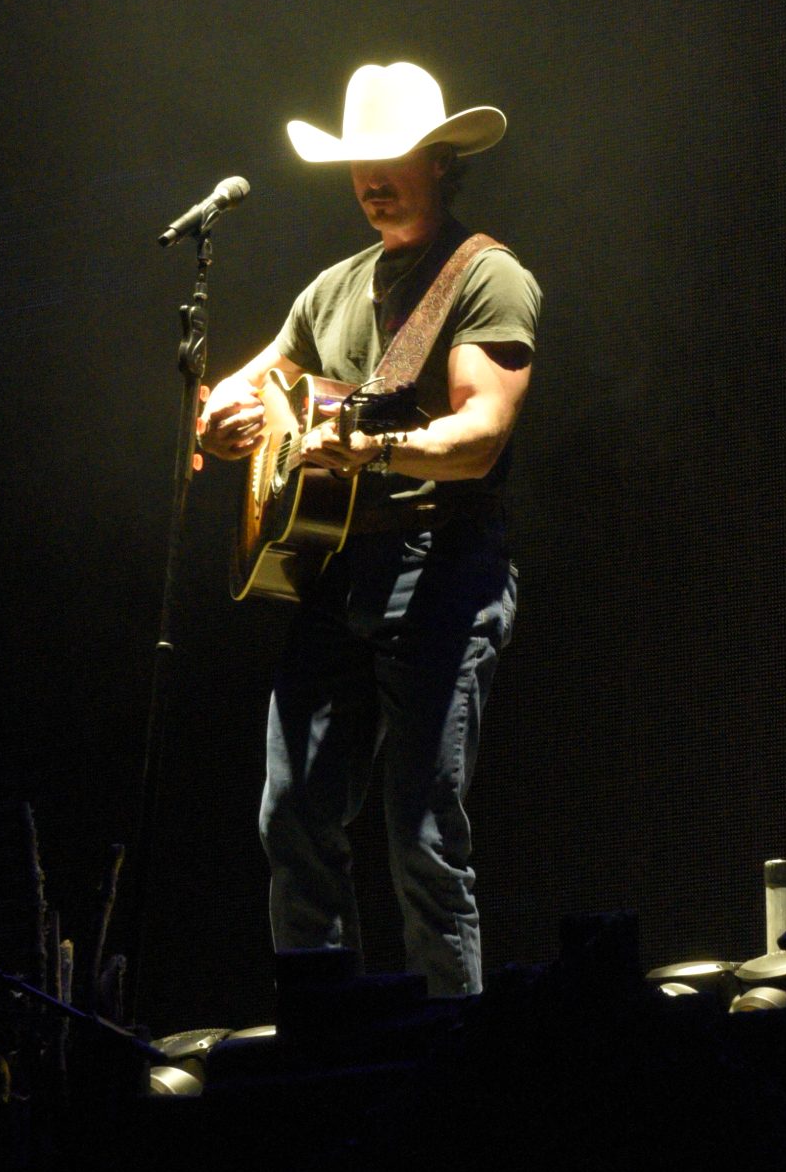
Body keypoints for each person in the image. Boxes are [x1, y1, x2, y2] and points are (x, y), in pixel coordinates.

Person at [199, 62, 541, 998]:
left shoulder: (485, 276)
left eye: (388, 159)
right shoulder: (332, 287)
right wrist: (223, 422)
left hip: (441, 567)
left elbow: (478, 437)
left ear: (436, 162)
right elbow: (255, 380)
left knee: (423, 840)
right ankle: (327, 1041)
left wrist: (376, 455)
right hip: (332, 574)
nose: (369, 181)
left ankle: (451, 1060)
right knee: (292, 819)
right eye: (356, 165)